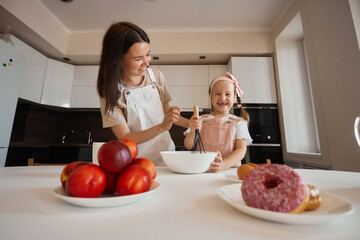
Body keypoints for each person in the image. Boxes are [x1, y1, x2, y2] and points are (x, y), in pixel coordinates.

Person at [97, 22, 189, 166]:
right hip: (136, 163)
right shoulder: (109, 92)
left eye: (148, 54)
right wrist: (161, 127)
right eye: (138, 58)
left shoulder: (156, 76)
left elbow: (169, 116)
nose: (146, 63)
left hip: (167, 156)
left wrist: (193, 124)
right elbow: (125, 138)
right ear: (118, 59)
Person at [184, 72, 252, 172]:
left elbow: (241, 150)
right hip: (203, 170)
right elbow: (188, 145)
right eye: (217, 94)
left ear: (234, 98)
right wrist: (193, 130)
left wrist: (224, 164)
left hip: (228, 170)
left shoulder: (239, 122)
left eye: (228, 94)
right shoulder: (200, 120)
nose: (222, 98)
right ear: (211, 98)